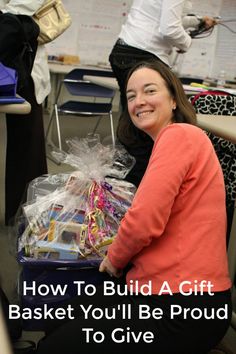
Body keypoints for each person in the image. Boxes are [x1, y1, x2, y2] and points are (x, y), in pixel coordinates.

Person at [35, 61, 232, 354]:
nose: (139, 101)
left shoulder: (179, 136)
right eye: (130, 96)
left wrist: (113, 260)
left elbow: (143, 221)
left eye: (149, 91)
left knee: (56, 345)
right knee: (62, 316)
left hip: (183, 305)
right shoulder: (172, 142)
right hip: (171, 294)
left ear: (174, 99)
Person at [109, 0, 217, 187]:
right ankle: (136, 186)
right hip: (143, 52)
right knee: (147, 126)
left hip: (126, 49)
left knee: (133, 119)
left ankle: (123, 182)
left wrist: (198, 21)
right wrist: (186, 42)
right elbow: (169, 29)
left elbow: (168, 17)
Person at [0, 0, 51, 225]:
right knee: (28, 147)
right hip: (16, 61)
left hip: (22, 66)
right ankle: (24, 215)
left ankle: (24, 216)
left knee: (28, 147)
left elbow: (21, 10)